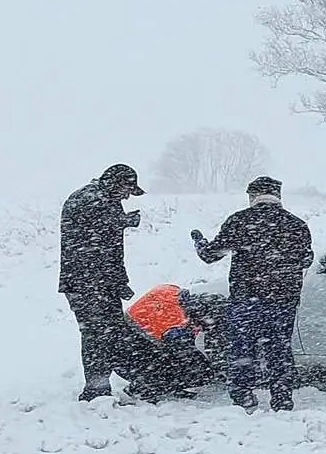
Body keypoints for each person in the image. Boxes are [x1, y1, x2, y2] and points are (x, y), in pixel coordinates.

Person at [190, 176, 313, 412]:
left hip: (247, 298)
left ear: (252, 197)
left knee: (242, 347)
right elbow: (307, 259)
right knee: (279, 348)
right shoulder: (296, 224)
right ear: (278, 196)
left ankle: (243, 394)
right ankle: (282, 397)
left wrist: (199, 242)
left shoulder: (240, 221)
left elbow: (210, 255)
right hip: (283, 299)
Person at [58, 163, 147, 401]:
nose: (128, 196)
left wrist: (118, 281)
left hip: (101, 281)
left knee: (114, 331)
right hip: (85, 282)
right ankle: (95, 389)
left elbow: (111, 249)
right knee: (96, 333)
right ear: (113, 182)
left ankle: (141, 378)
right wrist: (123, 221)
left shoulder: (106, 199)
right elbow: (96, 240)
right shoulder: (89, 199)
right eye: (127, 189)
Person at [124, 284, 227, 399]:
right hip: (132, 353)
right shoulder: (177, 327)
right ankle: (143, 388)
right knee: (189, 368)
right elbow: (186, 355)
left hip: (123, 333)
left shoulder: (172, 292)